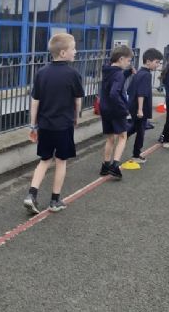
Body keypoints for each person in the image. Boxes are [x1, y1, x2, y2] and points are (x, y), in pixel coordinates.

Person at [23, 33, 84, 214]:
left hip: (45, 125)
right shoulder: (73, 74)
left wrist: (33, 125)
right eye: (73, 48)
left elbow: (35, 101)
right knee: (61, 161)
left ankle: (31, 194)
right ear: (63, 53)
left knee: (44, 160)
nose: (76, 51)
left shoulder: (41, 73)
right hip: (64, 125)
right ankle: (55, 200)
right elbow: (77, 100)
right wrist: (76, 117)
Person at [99, 45, 135, 179]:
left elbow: (114, 80)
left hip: (105, 108)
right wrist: (123, 108)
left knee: (110, 138)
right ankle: (115, 166)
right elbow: (114, 93)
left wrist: (127, 72)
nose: (129, 63)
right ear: (121, 59)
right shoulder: (118, 74)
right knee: (122, 137)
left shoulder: (107, 70)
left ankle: (105, 166)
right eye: (128, 60)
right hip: (116, 110)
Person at [126, 48, 163, 163]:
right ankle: (136, 155)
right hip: (140, 107)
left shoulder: (139, 73)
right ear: (148, 61)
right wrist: (140, 109)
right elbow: (141, 93)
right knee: (141, 130)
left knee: (136, 126)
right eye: (156, 62)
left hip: (133, 105)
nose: (158, 65)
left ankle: (123, 136)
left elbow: (129, 90)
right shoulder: (146, 75)